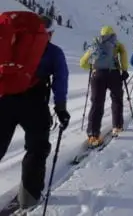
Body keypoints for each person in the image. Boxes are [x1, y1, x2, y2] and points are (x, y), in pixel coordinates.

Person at [0, 14, 70, 209]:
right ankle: (28, 197)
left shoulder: (11, 44)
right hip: (34, 102)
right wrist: (61, 108)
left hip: (5, 98)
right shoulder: (54, 52)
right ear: (50, 33)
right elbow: (60, 79)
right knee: (37, 148)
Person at [79, 26, 129, 146]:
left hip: (98, 76)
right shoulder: (117, 44)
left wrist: (92, 68)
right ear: (113, 34)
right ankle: (117, 126)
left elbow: (82, 63)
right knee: (117, 100)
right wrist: (124, 70)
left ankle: (93, 134)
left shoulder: (95, 44)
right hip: (114, 75)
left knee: (97, 104)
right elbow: (124, 56)